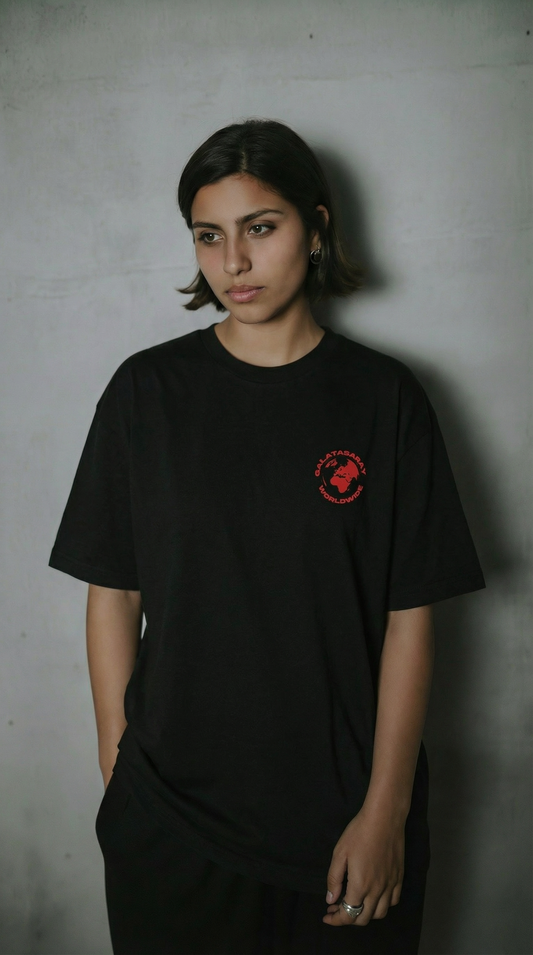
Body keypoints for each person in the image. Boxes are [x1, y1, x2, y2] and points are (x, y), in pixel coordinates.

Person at [48, 119, 485, 955]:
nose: (234, 262)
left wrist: (385, 813)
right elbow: (114, 594)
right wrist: (121, 777)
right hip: (170, 820)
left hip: (343, 824)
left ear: (316, 228)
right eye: (209, 235)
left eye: (260, 227)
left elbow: (410, 618)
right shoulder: (147, 393)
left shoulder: (385, 397)